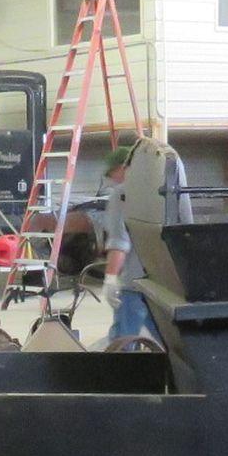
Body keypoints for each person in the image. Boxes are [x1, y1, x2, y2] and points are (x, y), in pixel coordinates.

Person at [94, 139, 159, 347]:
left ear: (122, 168)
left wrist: (111, 278)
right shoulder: (158, 191)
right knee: (167, 340)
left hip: (132, 283)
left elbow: (120, 243)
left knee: (122, 342)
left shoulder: (121, 194)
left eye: (112, 173)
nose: (111, 179)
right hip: (160, 283)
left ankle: (120, 379)